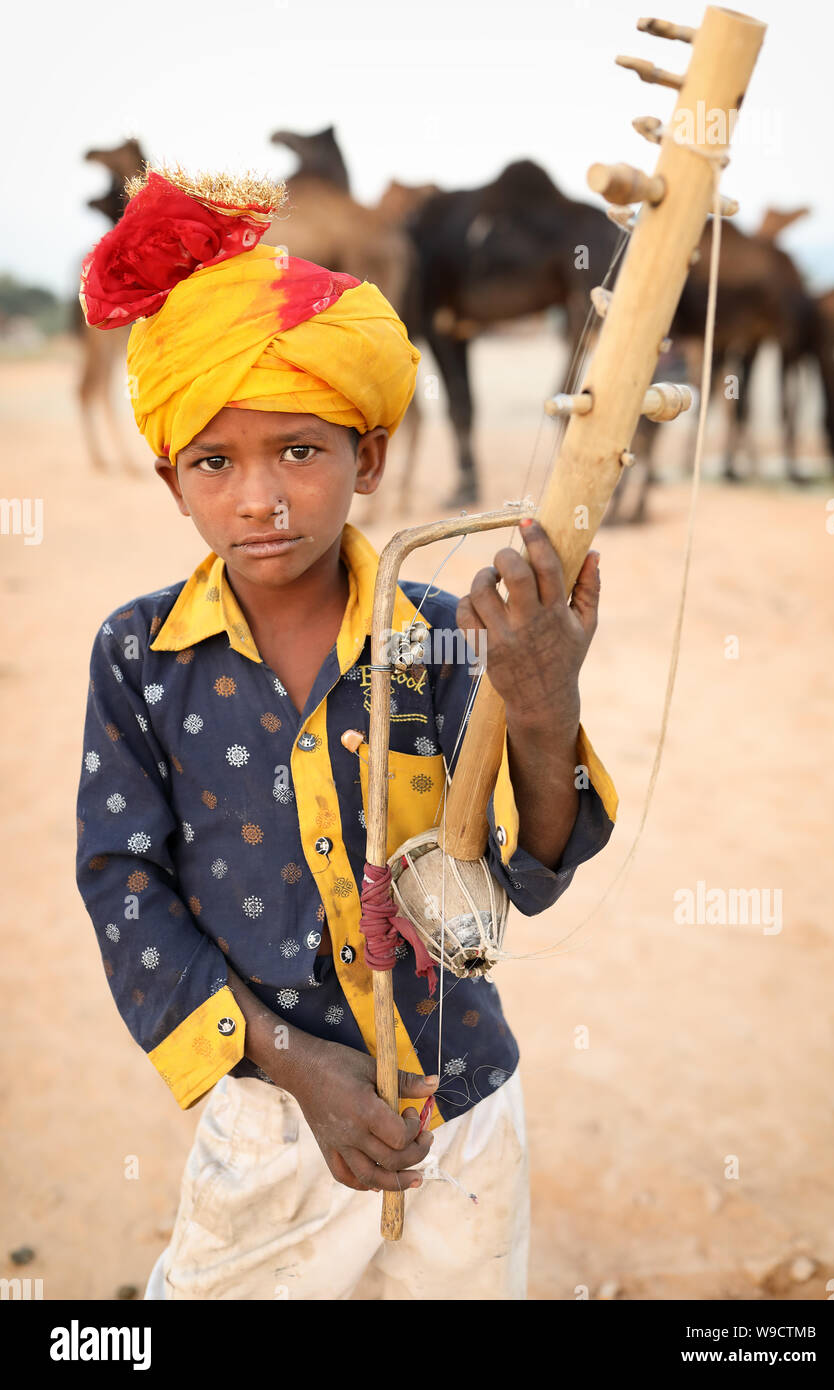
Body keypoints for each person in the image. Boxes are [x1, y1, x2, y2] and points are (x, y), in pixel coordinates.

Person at [75, 164, 619, 1300]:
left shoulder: (432, 631)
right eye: (216, 462)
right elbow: (123, 883)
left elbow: (532, 866)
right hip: (268, 1120)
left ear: (367, 459)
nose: (260, 498)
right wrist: (290, 1061)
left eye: (300, 452)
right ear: (173, 478)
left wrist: (541, 704)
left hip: (458, 1111)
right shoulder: (137, 656)